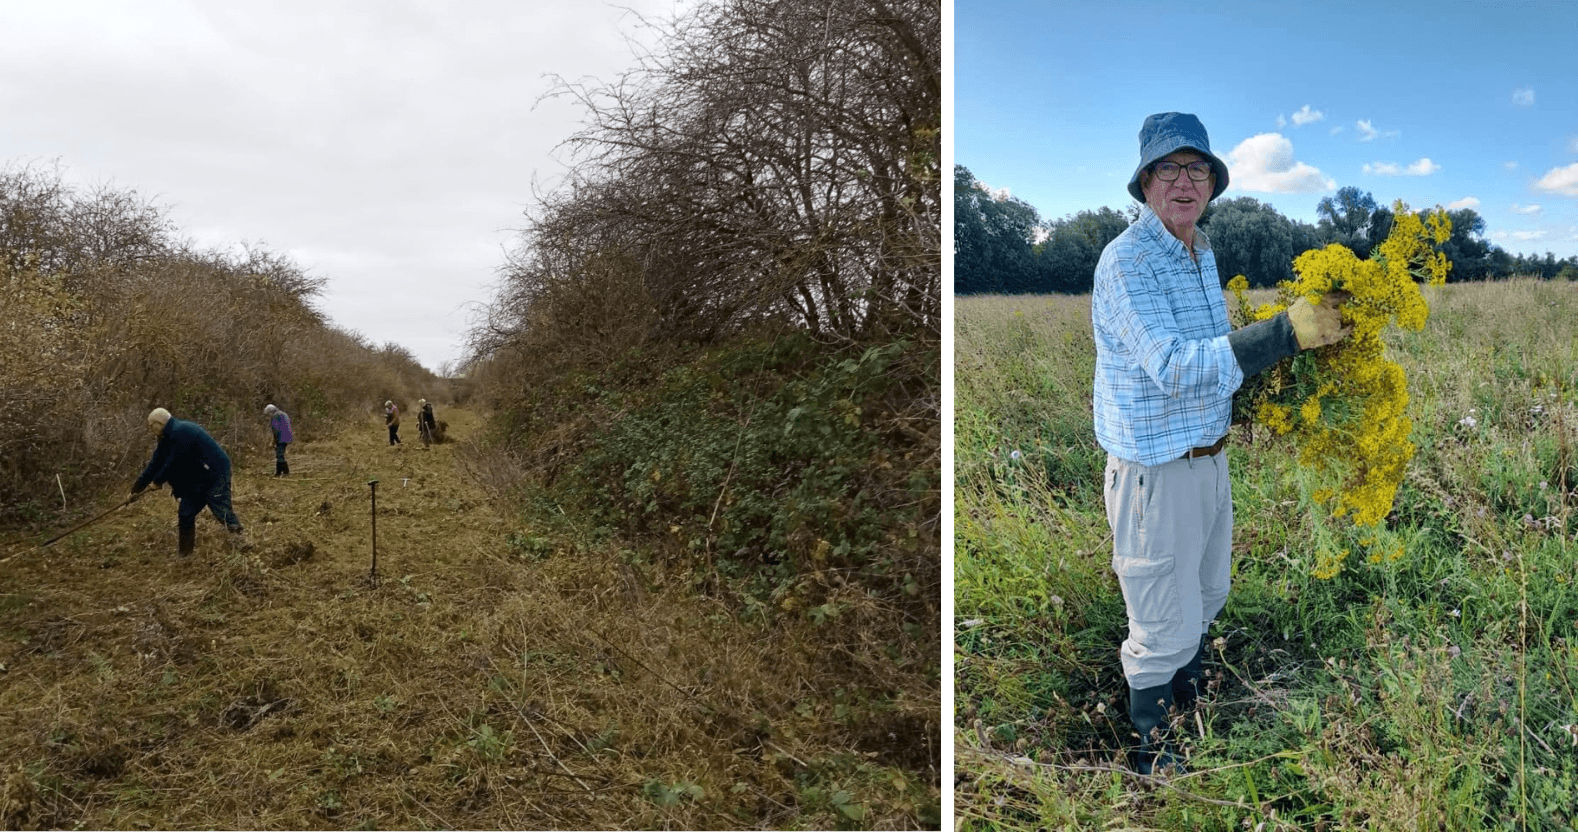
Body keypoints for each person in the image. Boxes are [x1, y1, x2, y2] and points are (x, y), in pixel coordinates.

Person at [1091, 112, 1351, 776]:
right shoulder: (1127, 261)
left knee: (1206, 596)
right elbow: (1175, 366)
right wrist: (1287, 333)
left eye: (1197, 169)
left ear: (1212, 182)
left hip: (1207, 460)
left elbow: (1215, 364)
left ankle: (1189, 709)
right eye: (1170, 169)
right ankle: (1157, 758)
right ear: (1146, 183)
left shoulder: (1199, 252)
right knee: (1159, 622)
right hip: (1155, 471)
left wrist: (1289, 397)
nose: (1185, 182)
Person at [132, 407, 245, 558]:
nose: (150, 429)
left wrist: (158, 482)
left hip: (214, 473)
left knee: (220, 507)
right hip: (197, 478)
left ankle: (241, 543)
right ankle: (185, 555)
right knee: (185, 513)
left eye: (151, 426)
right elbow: (155, 464)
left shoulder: (181, 431)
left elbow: (173, 463)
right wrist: (135, 490)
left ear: (158, 423)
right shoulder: (166, 437)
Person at [264, 404, 293, 476]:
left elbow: (275, 429)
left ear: (270, 411)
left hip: (281, 438)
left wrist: (274, 440)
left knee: (280, 455)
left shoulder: (275, 416)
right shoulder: (283, 413)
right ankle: (278, 472)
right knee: (279, 454)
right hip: (287, 437)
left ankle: (286, 472)